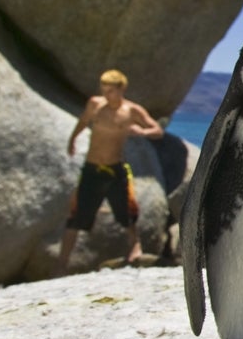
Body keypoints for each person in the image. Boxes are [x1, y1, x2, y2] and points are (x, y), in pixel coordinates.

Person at [56, 69, 164, 275]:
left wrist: (142, 132)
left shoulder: (132, 111)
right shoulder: (95, 105)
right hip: (92, 168)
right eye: (104, 90)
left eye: (111, 91)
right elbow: (82, 122)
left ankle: (135, 247)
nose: (106, 95)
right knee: (76, 215)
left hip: (115, 168)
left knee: (127, 210)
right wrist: (72, 139)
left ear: (121, 89)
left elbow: (157, 130)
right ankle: (61, 264)